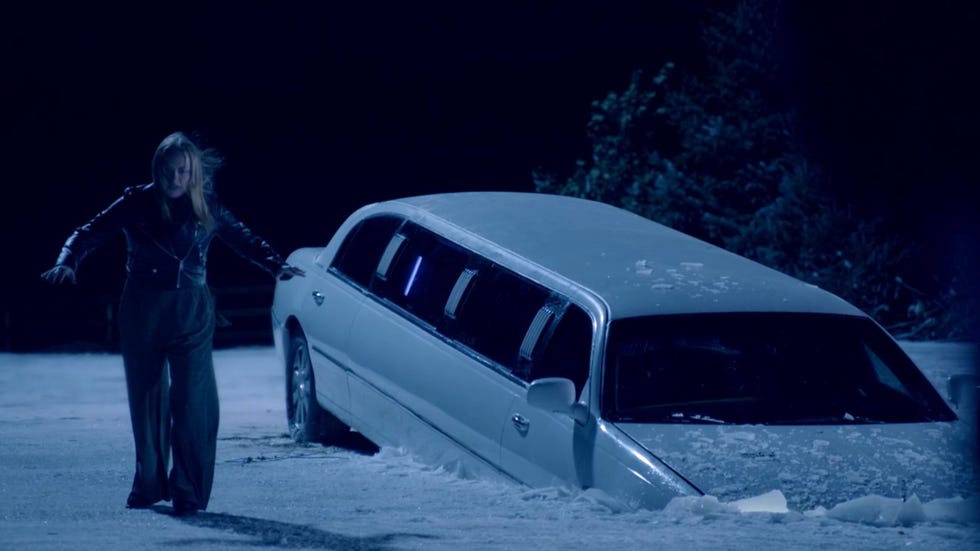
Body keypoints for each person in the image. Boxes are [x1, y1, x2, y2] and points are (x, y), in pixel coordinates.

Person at [40, 131, 304, 516]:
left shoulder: (208, 204)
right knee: (147, 399)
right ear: (157, 170)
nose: (176, 179)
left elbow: (241, 237)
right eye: (168, 171)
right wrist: (67, 260)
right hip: (143, 309)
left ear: (194, 172)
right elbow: (90, 231)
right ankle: (148, 484)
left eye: (183, 171)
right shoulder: (136, 202)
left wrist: (275, 264)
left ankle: (188, 490)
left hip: (193, 310)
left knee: (195, 402)